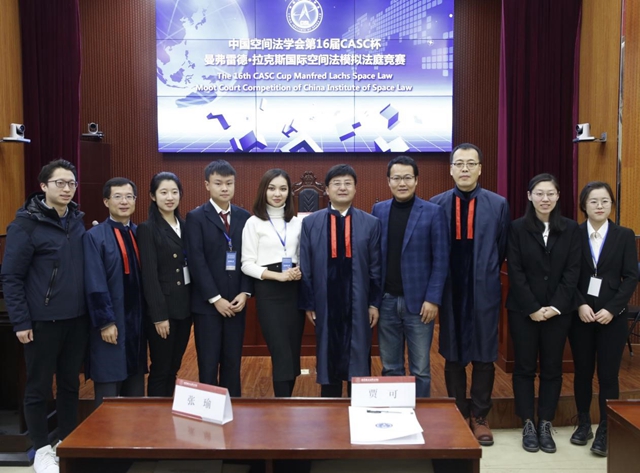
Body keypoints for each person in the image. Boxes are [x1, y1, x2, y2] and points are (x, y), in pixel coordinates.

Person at [0, 160, 88, 473]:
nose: (67, 189)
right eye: (59, 183)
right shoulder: (26, 224)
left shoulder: (77, 220)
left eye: (71, 183)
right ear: (43, 186)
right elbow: (11, 277)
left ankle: (66, 441)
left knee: (69, 385)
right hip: (41, 322)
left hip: (76, 320)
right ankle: (40, 450)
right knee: (38, 387)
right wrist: (21, 321)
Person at [430, 143, 510, 446]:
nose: (464, 169)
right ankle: (458, 412)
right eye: (459, 163)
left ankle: (479, 416)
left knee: (484, 355)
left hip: (483, 290)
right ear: (450, 169)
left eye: (470, 163)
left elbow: (501, 247)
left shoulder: (498, 204)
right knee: (453, 355)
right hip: (451, 291)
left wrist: (485, 273)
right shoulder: (436, 204)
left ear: (480, 169)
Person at [506, 173, 581, 454]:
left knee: (552, 369)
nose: (545, 199)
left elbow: (573, 271)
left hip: (559, 313)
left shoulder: (571, 229)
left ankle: (545, 423)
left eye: (550, 193)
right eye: (539, 193)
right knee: (524, 368)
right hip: (523, 311)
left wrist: (555, 307)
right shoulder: (516, 228)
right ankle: (527, 423)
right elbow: (515, 271)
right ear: (529, 196)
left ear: (558, 196)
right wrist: (533, 308)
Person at [299, 164, 382, 397]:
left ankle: (359, 409)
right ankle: (329, 411)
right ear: (326, 189)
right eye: (336, 183)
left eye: (348, 183)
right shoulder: (311, 223)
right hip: (325, 304)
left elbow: (376, 267)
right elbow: (306, 266)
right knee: (328, 358)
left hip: (359, 303)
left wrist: (373, 303)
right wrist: (309, 304)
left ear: (355, 188)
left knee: (359, 359)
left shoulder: (370, 223)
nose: (342, 188)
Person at [568, 181, 637, 456]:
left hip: (612, 317)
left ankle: (607, 429)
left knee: (608, 375)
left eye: (605, 201)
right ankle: (584, 423)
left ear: (611, 205)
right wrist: (580, 304)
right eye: (594, 201)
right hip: (581, 316)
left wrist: (612, 308)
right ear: (584, 205)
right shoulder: (574, 234)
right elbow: (567, 275)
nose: (599, 206)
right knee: (583, 372)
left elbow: (630, 276)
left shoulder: (624, 235)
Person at [371, 155, 449, 398]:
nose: (402, 183)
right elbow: (374, 258)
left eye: (407, 177)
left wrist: (433, 299)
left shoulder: (433, 212)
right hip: (386, 301)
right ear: (388, 181)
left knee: (420, 369)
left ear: (416, 180)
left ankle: (421, 414)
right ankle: (394, 413)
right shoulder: (379, 210)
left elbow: (441, 259)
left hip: (420, 305)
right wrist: (373, 300)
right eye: (396, 178)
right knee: (390, 367)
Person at [185, 160, 252, 396]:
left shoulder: (245, 217)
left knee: (233, 362)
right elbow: (196, 261)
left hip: (236, 303)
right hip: (207, 305)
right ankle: (209, 410)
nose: (224, 188)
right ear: (207, 185)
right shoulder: (195, 217)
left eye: (229, 183)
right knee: (208, 363)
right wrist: (215, 298)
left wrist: (245, 292)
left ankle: (233, 409)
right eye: (218, 183)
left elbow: (249, 258)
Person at [241, 169, 305, 397]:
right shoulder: (253, 223)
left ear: (289, 192)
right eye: (272, 188)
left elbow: (302, 256)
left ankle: (287, 402)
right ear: (263, 191)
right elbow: (246, 264)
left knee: (293, 352)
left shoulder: (297, 223)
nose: (277, 194)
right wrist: (278, 276)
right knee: (281, 353)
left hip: (294, 292)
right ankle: (283, 405)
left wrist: (298, 271)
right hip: (269, 293)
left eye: (283, 189)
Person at [84, 177, 147, 407]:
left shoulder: (140, 233)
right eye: (117, 197)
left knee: (135, 391)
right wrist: (105, 322)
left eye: (129, 197)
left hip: (137, 326)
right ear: (106, 201)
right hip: (111, 323)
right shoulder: (95, 236)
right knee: (109, 390)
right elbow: (95, 282)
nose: (124, 202)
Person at [137, 172, 192, 397]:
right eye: (163, 192)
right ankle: (156, 415)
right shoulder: (147, 229)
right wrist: (159, 316)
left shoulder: (186, 226)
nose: (170, 197)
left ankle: (169, 410)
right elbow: (149, 276)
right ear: (153, 196)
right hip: (163, 312)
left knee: (174, 367)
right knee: (160, 368)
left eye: (174, 192)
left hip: (185, 309)